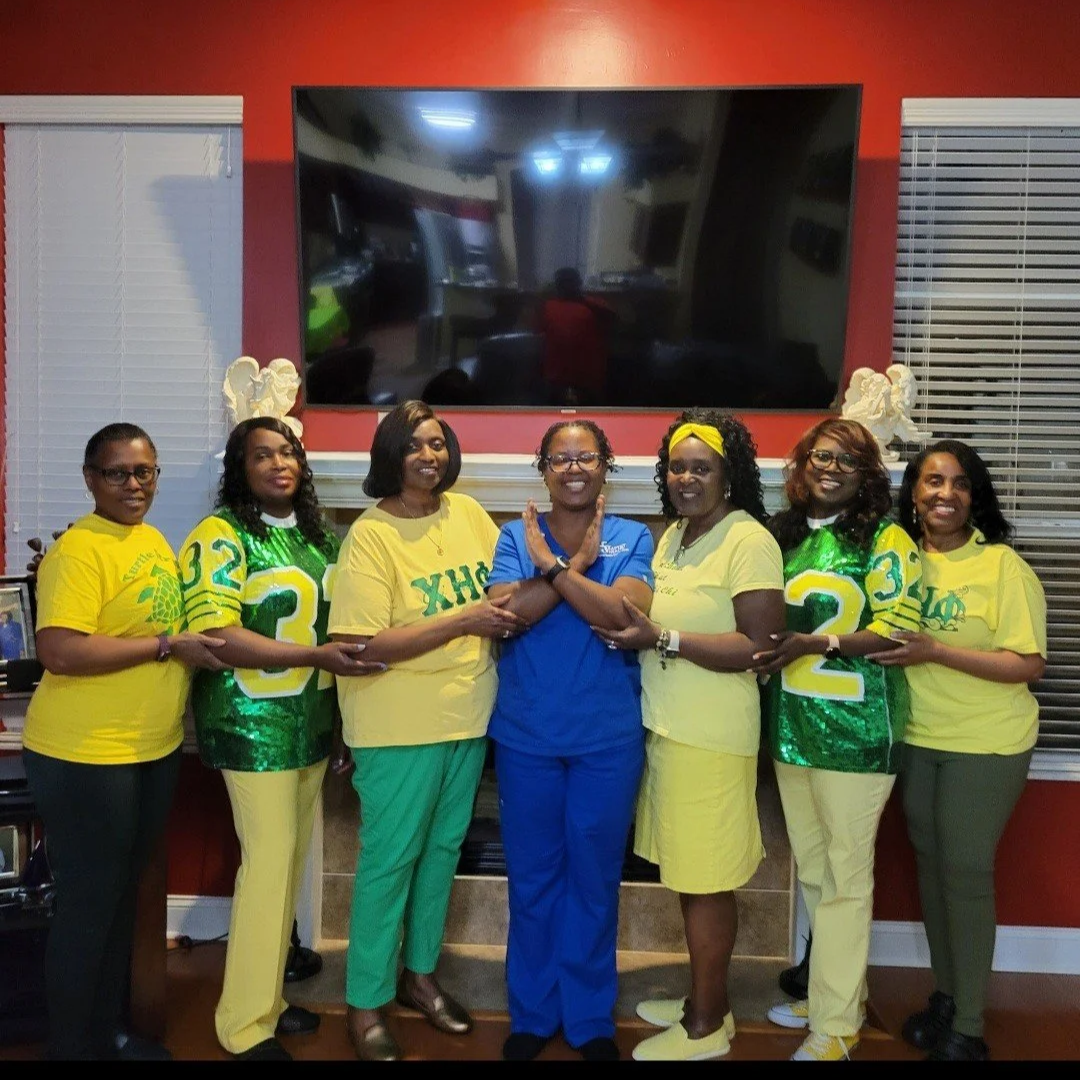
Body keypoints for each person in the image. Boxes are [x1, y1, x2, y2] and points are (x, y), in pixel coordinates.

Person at [20, 422, 229, 1061]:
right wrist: (165, 645)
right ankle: (70, 1048)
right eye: (118, 473)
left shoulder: (151, 541)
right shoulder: (79, 550)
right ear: (91, 479)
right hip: (85, 754)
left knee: (120, 900)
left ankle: (108, 1034)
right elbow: (60, 651)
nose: (134, 484)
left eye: (145, 471)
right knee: (89, 906)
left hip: (149, 749)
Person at [177, 416, 383, 1061]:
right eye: (261, 455)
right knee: (268, 867)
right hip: (249, 723)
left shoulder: (319, 537)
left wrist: (342, 719)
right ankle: (242, 1027)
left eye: (287, 451)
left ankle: (265, 998)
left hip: (310, 723)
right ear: (240, 469)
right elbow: (217, 638)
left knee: (287, 867)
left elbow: (339, 632)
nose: (278, 463)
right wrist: (315, 659)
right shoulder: (221, 534)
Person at [327, 400, 526, 1062]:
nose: (428, 455)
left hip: (467, 718)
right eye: (414, 444)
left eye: (438, 443)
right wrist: (463, 621)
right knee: (390, 863)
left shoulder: (467, 514)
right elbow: (359, 645)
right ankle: (365, 1002)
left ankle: (420, 978)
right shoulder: (370, 535)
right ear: (391, 453)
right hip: (396, 726)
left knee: (442, 854)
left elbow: (502, 591)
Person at [593, 411, 785, 1062]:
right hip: (668, 729)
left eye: (702, 467)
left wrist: (663, 638)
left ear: (729, 475)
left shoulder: (747, 539)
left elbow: (759, 646)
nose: (687, 478)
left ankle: (705, 1027)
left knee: (707, 882)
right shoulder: (674, 535)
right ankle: (706, 1001)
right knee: (688, 874)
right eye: (677, 466)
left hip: (711, 737)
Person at [868, 440, 1047, 1062]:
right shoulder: (897, 561)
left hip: (987, 742)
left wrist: (936, 651)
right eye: (933, 481)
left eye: (960, 483)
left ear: (975, 498)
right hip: (918, 738)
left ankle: (969, 1025)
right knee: (932, 870)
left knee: (965, 872)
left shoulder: (1001, 566)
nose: (946, 493)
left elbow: (1027, 664)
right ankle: (945, 997)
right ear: (914, 493)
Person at [751, 417, 923, 1062]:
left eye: (848, 460)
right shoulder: (785, 534)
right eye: (821, 456)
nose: (831, 468)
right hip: (792, 728)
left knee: (846, 878)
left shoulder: (885, 537)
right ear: (802, 463)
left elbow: (897, 630)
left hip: (857, 731)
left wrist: (817, 642)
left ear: (867, 474)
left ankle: (839, 1025)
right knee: (818, 876)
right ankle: (830, 994)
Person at [485, 419, 655, 1062]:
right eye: (560, 458)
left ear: (606, 465)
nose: (574, 468)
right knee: (532, 880)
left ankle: (588, 1019)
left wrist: (556, 568)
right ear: (544, 469)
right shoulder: (514, 535)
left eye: (586, 457)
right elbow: (507, 616)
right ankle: (532, 1013)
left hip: (606, 740)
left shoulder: (631, 536)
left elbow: (624, 614)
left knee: (594, 880)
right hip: (527, 736)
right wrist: (576, 575)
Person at [537, 267, 615, 407]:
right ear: (579, 284)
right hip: (590, 383)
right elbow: (614, 322)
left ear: (557, 286)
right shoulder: (596, 307)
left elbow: (536, 332)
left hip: (555, 382)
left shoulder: (548, 307)